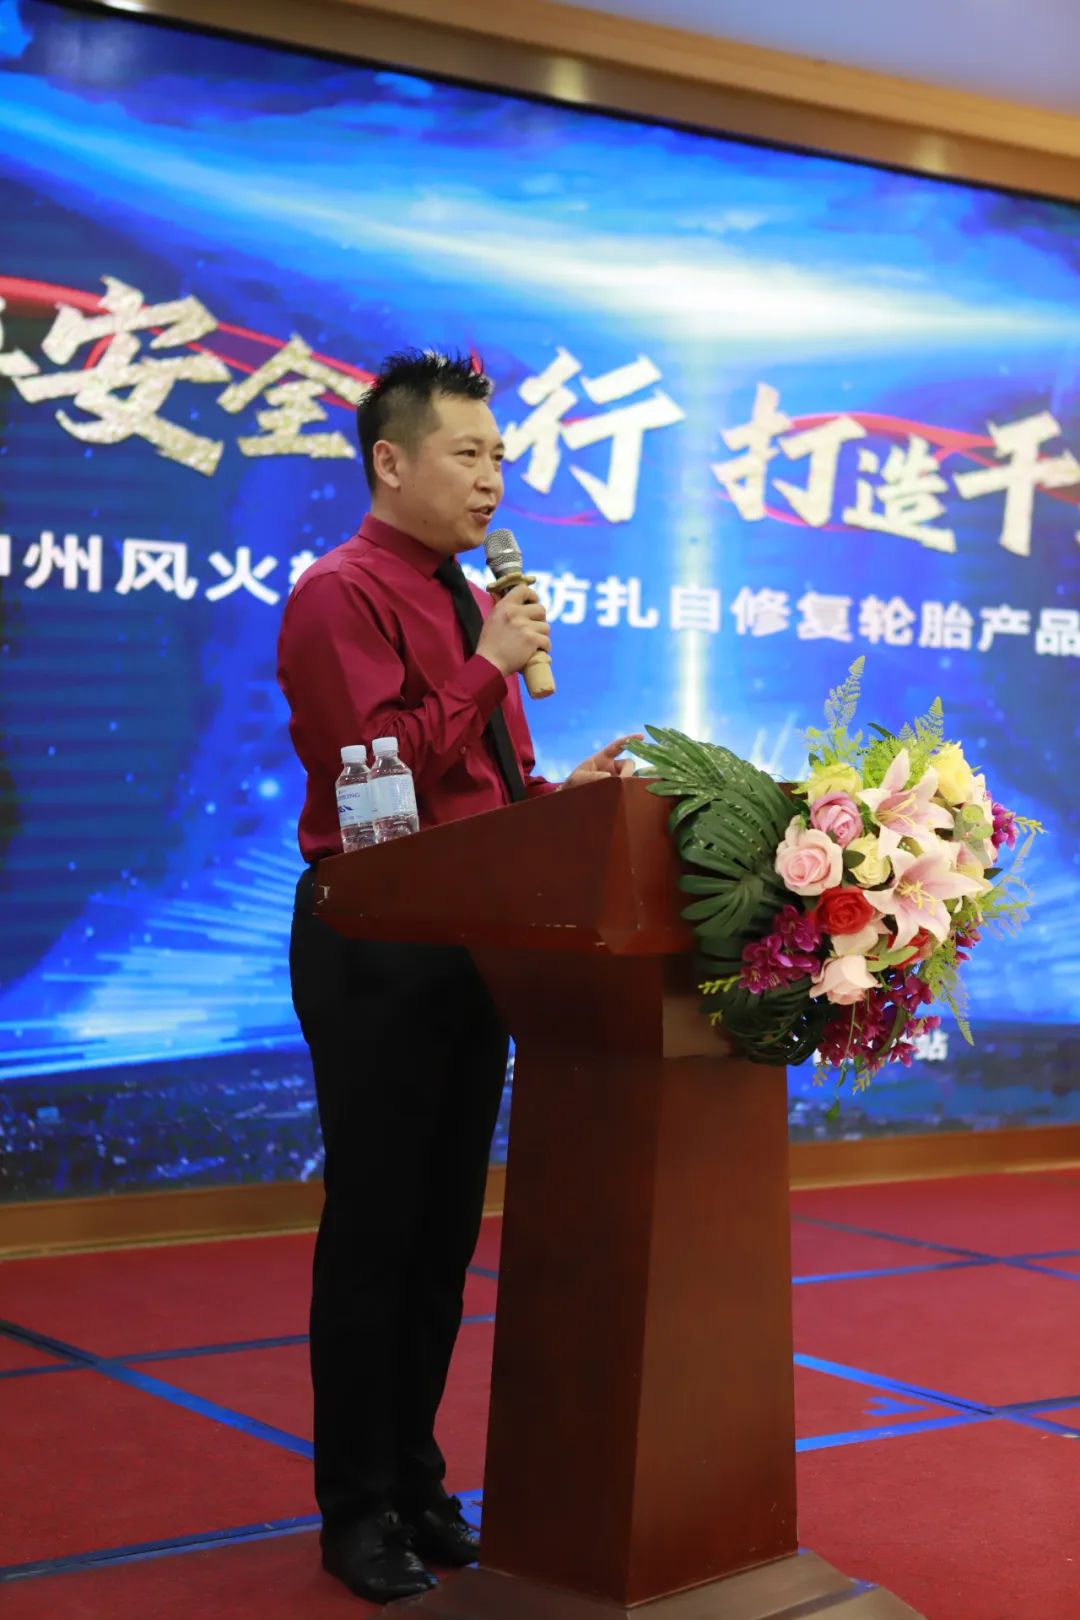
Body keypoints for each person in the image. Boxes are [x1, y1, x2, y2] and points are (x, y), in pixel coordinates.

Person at [278, 349, 638, 1604]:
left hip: (479, 939)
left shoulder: (468, 600)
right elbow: (373, 786)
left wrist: (562, 798)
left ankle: (419, 1482)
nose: (493, 480)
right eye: (467, 455)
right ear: (391, 462)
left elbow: (482, 792)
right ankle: (354, 1509)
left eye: (499, 457)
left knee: (441, 1235)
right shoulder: (340, 595)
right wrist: (489, 662)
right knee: (377, 1229)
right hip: (379, 941)